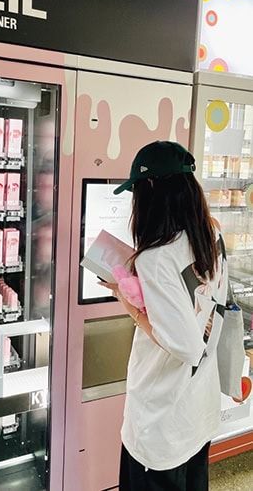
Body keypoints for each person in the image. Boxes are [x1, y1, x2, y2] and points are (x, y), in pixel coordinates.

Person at [99, 141, 227, 491]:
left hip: (160, 422)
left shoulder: (155, 259)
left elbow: (186, 346)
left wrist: (127, 301)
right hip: (197, 411)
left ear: (152, 188)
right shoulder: (212, 232)